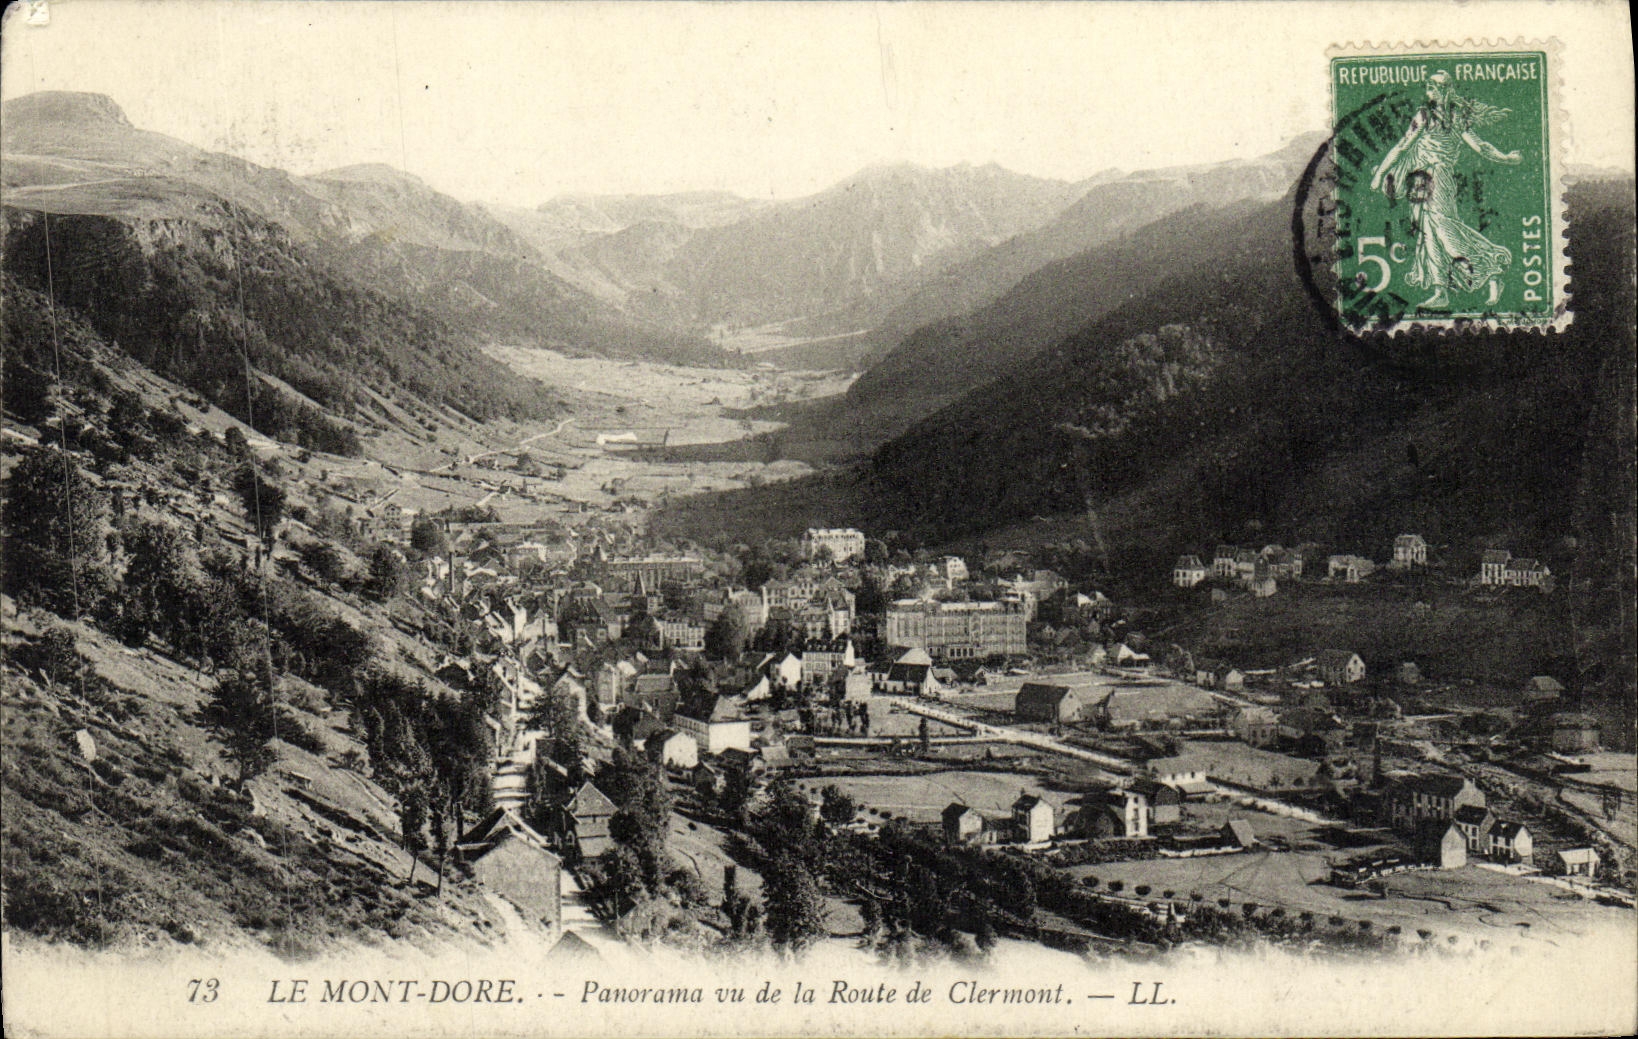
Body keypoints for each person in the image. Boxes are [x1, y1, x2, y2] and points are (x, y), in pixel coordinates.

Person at [1370, 70, 1522, 308]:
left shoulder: (1457, 117)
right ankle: (1441, 291)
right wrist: (1380, 173)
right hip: (1420, 180)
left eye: (1436, 86)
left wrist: (1505, 158)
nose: (1430, 90)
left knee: (1445, 231)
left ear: (1447, 90)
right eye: (1429, 86)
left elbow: (1480, 146)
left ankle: (1492, 269)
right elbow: (1402, 147)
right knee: (1428, 234)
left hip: (1439, 178)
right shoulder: (1423, 115)